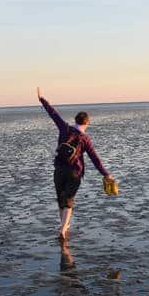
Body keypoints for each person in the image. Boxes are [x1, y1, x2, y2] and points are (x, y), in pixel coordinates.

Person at [37, 87, 114, 242]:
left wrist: (42, 99)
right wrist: (106, 174)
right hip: (75, 173)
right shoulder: (85, 139)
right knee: (69, 201)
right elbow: (95, 159)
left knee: (61, 200)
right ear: (87, 123)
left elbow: (53, 114)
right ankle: (64, 230)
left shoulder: (64, 128)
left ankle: (63, 227)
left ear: (75, 120)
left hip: (59, 170)